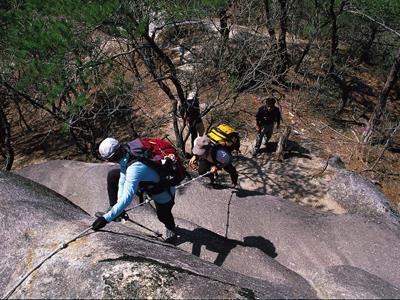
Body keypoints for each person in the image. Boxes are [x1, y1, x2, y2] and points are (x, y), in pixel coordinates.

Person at [91, 137, 177, 243]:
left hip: (163, 190)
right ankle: (115, 210)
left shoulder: (134, 169)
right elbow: (122, 179)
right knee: (113, 175)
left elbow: (127, 197)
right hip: (150, 184)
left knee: (163, 215)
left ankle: (171, 228)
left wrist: (105, 219)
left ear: (113, 157)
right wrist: (117, 208)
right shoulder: (127, 152)